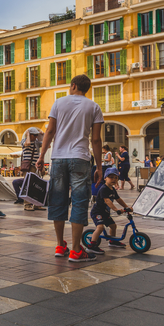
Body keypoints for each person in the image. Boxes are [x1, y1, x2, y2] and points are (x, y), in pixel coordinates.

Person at [36, 74, 104, 262]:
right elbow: (96, 139)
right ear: (86, 88)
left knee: (58, 200)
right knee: (79, 202)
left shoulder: (58, 103)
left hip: (58, 158)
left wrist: (42, 156)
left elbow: (50, 131)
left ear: (73, 85)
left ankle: (60, 245)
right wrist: (99, 166)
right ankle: (75, 250)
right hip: (81, 158)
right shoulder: (94, 107)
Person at [85, 167, 132, 254]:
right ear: (105, 178)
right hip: (97, 212)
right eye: (111, 177)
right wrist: (116, 209)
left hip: (105, 212)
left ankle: (112, 241)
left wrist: (126, 207)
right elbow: (107, 201)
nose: (114, 179)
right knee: (100, 227)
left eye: (116, 177)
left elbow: (118, 199)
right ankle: (92, 245)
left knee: (113, 226)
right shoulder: (103, 189)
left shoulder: (113, 189)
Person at [19, 127, 44, 212]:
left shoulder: (37, 142)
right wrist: (28, 134)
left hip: (36, 166)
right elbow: (28, 143)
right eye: (34, 135)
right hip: (28, 167)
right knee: (28, 185)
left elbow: (47, 145)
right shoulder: (24, 141)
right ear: (30, 134)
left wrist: (42, 135)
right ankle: (27, 205)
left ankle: (37, 204)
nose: (36, 137)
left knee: (37, 186)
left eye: (36, 135)